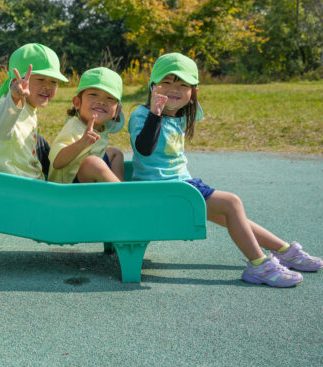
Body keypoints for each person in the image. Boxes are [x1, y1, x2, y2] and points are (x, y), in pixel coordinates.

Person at [129, 52, 322, 287]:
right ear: (152, 87)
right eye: (167, 82)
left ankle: (284, 250)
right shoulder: (142, 115)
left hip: (180, 187)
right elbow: (144, 150)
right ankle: (259, 266)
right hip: (162, 191)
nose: (174, 89)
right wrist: (154, 114)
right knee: (232, 204)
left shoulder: (179, 117)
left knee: (230, 216)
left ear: (193, 92)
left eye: (182, 84)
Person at [0, 43, 68, 179]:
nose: (47, 86)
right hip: (18, 186)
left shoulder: (29, 109)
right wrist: (14, 97)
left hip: (32, 180)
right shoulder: (12, 108)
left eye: (53, 81)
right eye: (41, 79)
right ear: (15, 82)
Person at [48, 67, 125, 184]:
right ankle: (124, 195)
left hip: (87, 179)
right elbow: (57, 162)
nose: (101, 101)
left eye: (109, 98)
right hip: (68, 188)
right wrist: (82, 143)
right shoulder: (74, 128)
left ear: (117, 111)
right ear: (77, 103)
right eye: (94, 94)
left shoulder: (101, 128)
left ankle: (121, 187)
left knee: (115, 153)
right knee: (93, 163)